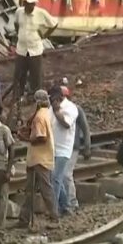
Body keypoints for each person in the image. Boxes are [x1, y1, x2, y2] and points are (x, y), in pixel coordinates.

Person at [16, 90, 60, 229]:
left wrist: (25, 139)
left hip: (40, 158)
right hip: (37, 157)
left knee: (45, 189)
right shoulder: (45, 113)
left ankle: (54, 217)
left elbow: (41, 137)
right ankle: (24, 219)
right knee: (30, 190)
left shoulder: (40, 117)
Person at [12, 0, 58, 101]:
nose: (31, 6)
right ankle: (18, 95)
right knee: (19, 74)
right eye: (28, 3)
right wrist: (19, 34)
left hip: (35, 50)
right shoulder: (19, 12)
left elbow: (54, 24)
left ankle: (34, 97)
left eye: (33, 4)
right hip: (21, 49)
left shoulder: (41, 13)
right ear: (24, 3)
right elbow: (16, 23)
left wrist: (45, 35)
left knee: (35, 75)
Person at [49, 86, 78, 216]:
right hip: (52, 147)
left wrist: (57, 112)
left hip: (64, 149)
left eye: (53, 99)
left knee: (56, 178)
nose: (51, 101)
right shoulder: (51, 107)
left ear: (60, 97)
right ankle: (65, 205)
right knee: (54, 179)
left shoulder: (70, 108)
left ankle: (54, 210)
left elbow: (66, 124)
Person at [63, 86, 90, 212]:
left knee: (67, 175)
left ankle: (72, 202)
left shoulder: (76, 109)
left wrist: (87, 147)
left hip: (73, 147)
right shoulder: (56, 110)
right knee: (60, 176)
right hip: (61, 147)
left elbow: (85, 129)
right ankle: (64, 202)